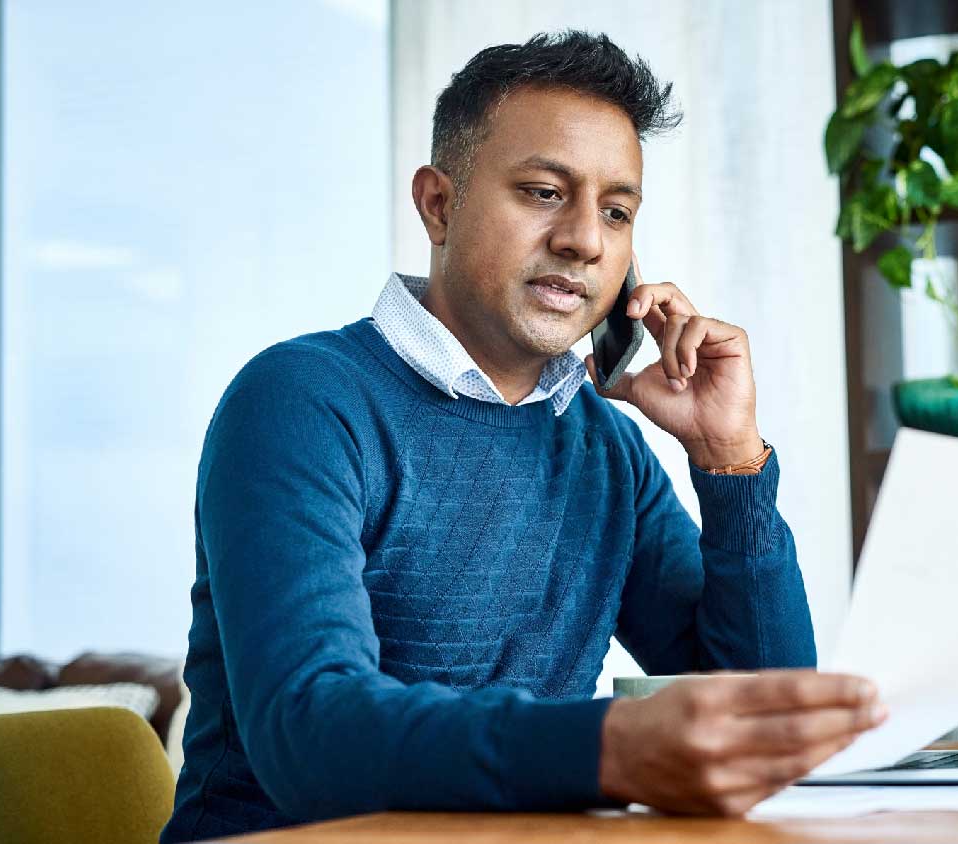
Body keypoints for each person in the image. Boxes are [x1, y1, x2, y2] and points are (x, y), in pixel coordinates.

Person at [160, 29, 885, 843]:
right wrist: (605, 748)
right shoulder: (301, 401)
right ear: (439, 204)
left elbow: (761, 721)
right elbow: (310, 732)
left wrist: (729, 461)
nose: (585, 239)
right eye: (545, 192)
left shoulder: (605, 448)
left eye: (617, 211)